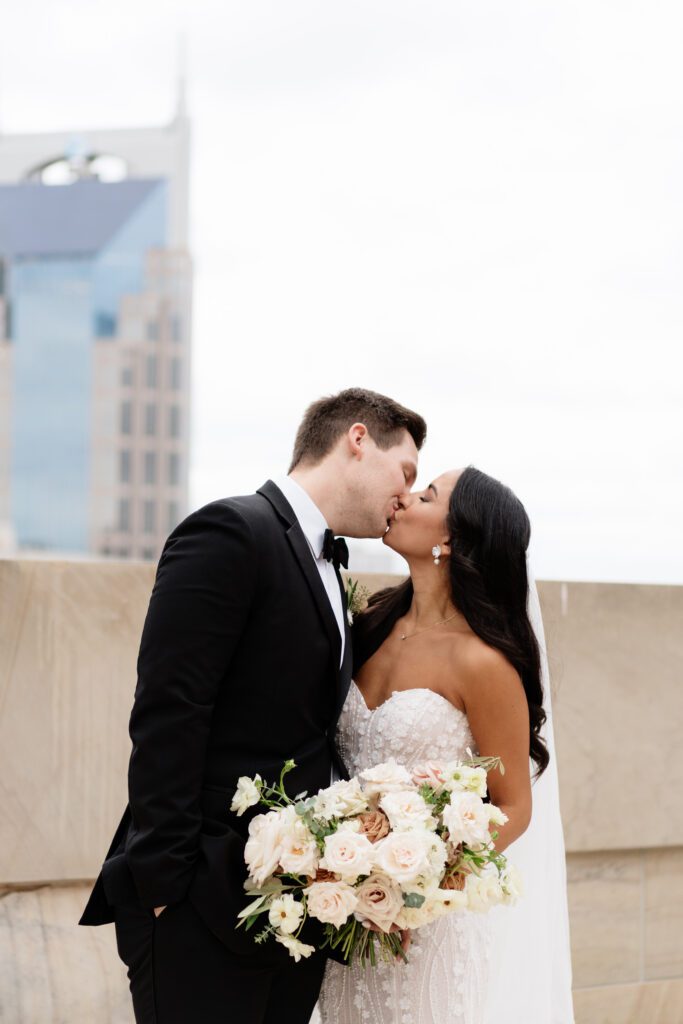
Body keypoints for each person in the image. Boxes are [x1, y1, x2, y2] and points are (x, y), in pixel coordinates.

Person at [79, 387, 426, 1024]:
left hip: (289, 911)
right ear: (357, 439)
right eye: (404, 471)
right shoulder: (231, 530)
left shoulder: (334, 570)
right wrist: (164, 888)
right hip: (197, 905)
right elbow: (169, 709)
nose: (407, 494)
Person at [318, 466, 573, 1024]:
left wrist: (413, 889)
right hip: (343, 918)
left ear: (452, 539)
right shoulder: (366, 626)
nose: (404, 499)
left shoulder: (481, 662)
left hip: (428, 929)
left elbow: (513, 807)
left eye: (427, 495)